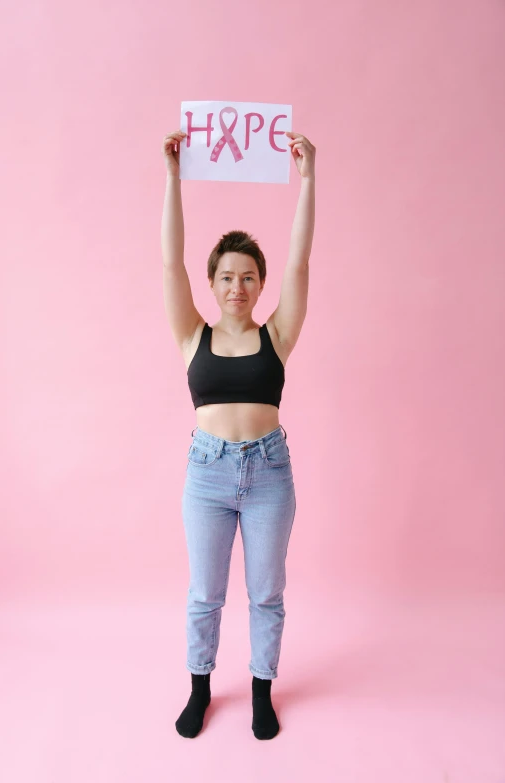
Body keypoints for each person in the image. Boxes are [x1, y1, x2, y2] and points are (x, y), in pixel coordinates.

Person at [160, 126, 315, 739]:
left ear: (259, 284)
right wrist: (172, 176)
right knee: (204, 592)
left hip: (269, 473)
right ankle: (199, 688)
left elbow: (300, 262)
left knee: (266, 593)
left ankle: (260, 691)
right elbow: (170, 259)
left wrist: (309, 180)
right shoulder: (191, 334)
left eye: (249, 277)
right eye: (226, 276)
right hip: (207, 472)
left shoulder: (275, 336)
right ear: (212, 282)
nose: (237, 287)